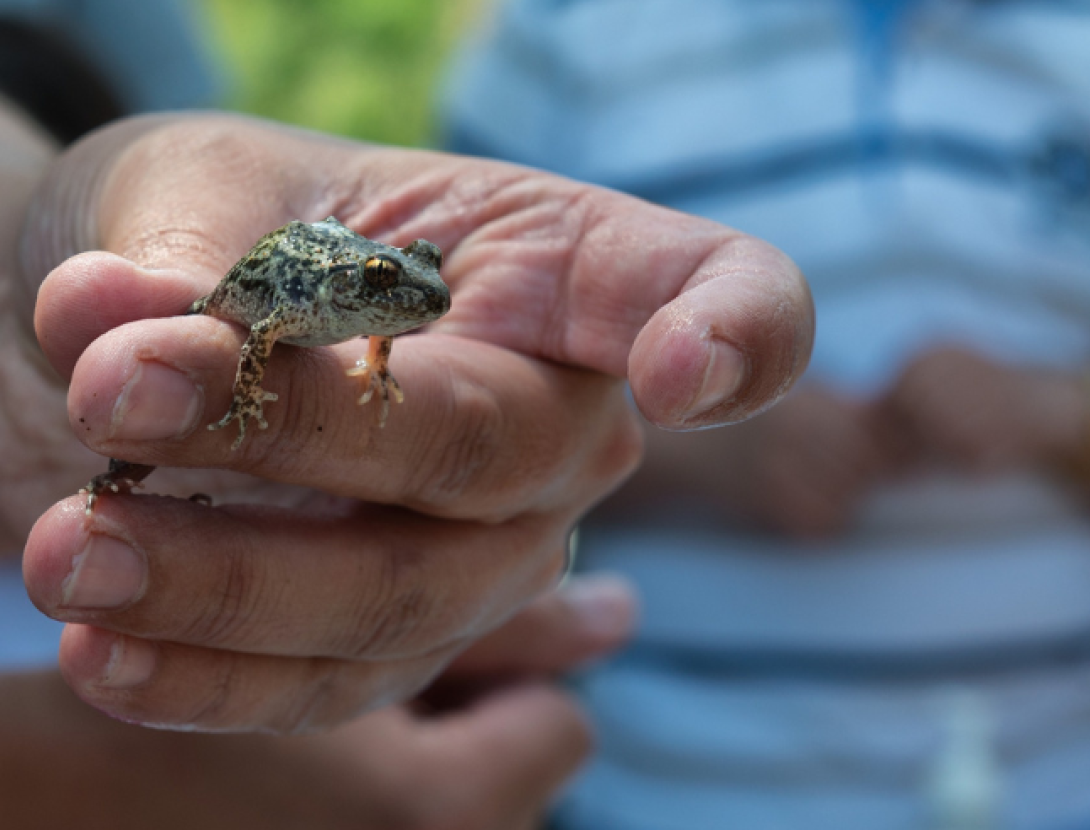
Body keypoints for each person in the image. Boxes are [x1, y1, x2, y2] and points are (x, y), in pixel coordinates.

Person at [0, 23, 814, 830]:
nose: (416, 294)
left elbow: (381, 321)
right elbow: (262, 332)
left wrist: (377, 363)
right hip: (263, 286)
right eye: (389, 279)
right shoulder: (318, 297)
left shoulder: (369, 310)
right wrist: (243, 400)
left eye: (415, 271)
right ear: (363, 279)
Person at [442, 1, 1090, 828]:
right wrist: (704, 451)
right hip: (666, 796)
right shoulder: (560, 26)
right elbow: (447, 390)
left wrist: (1060, 411)